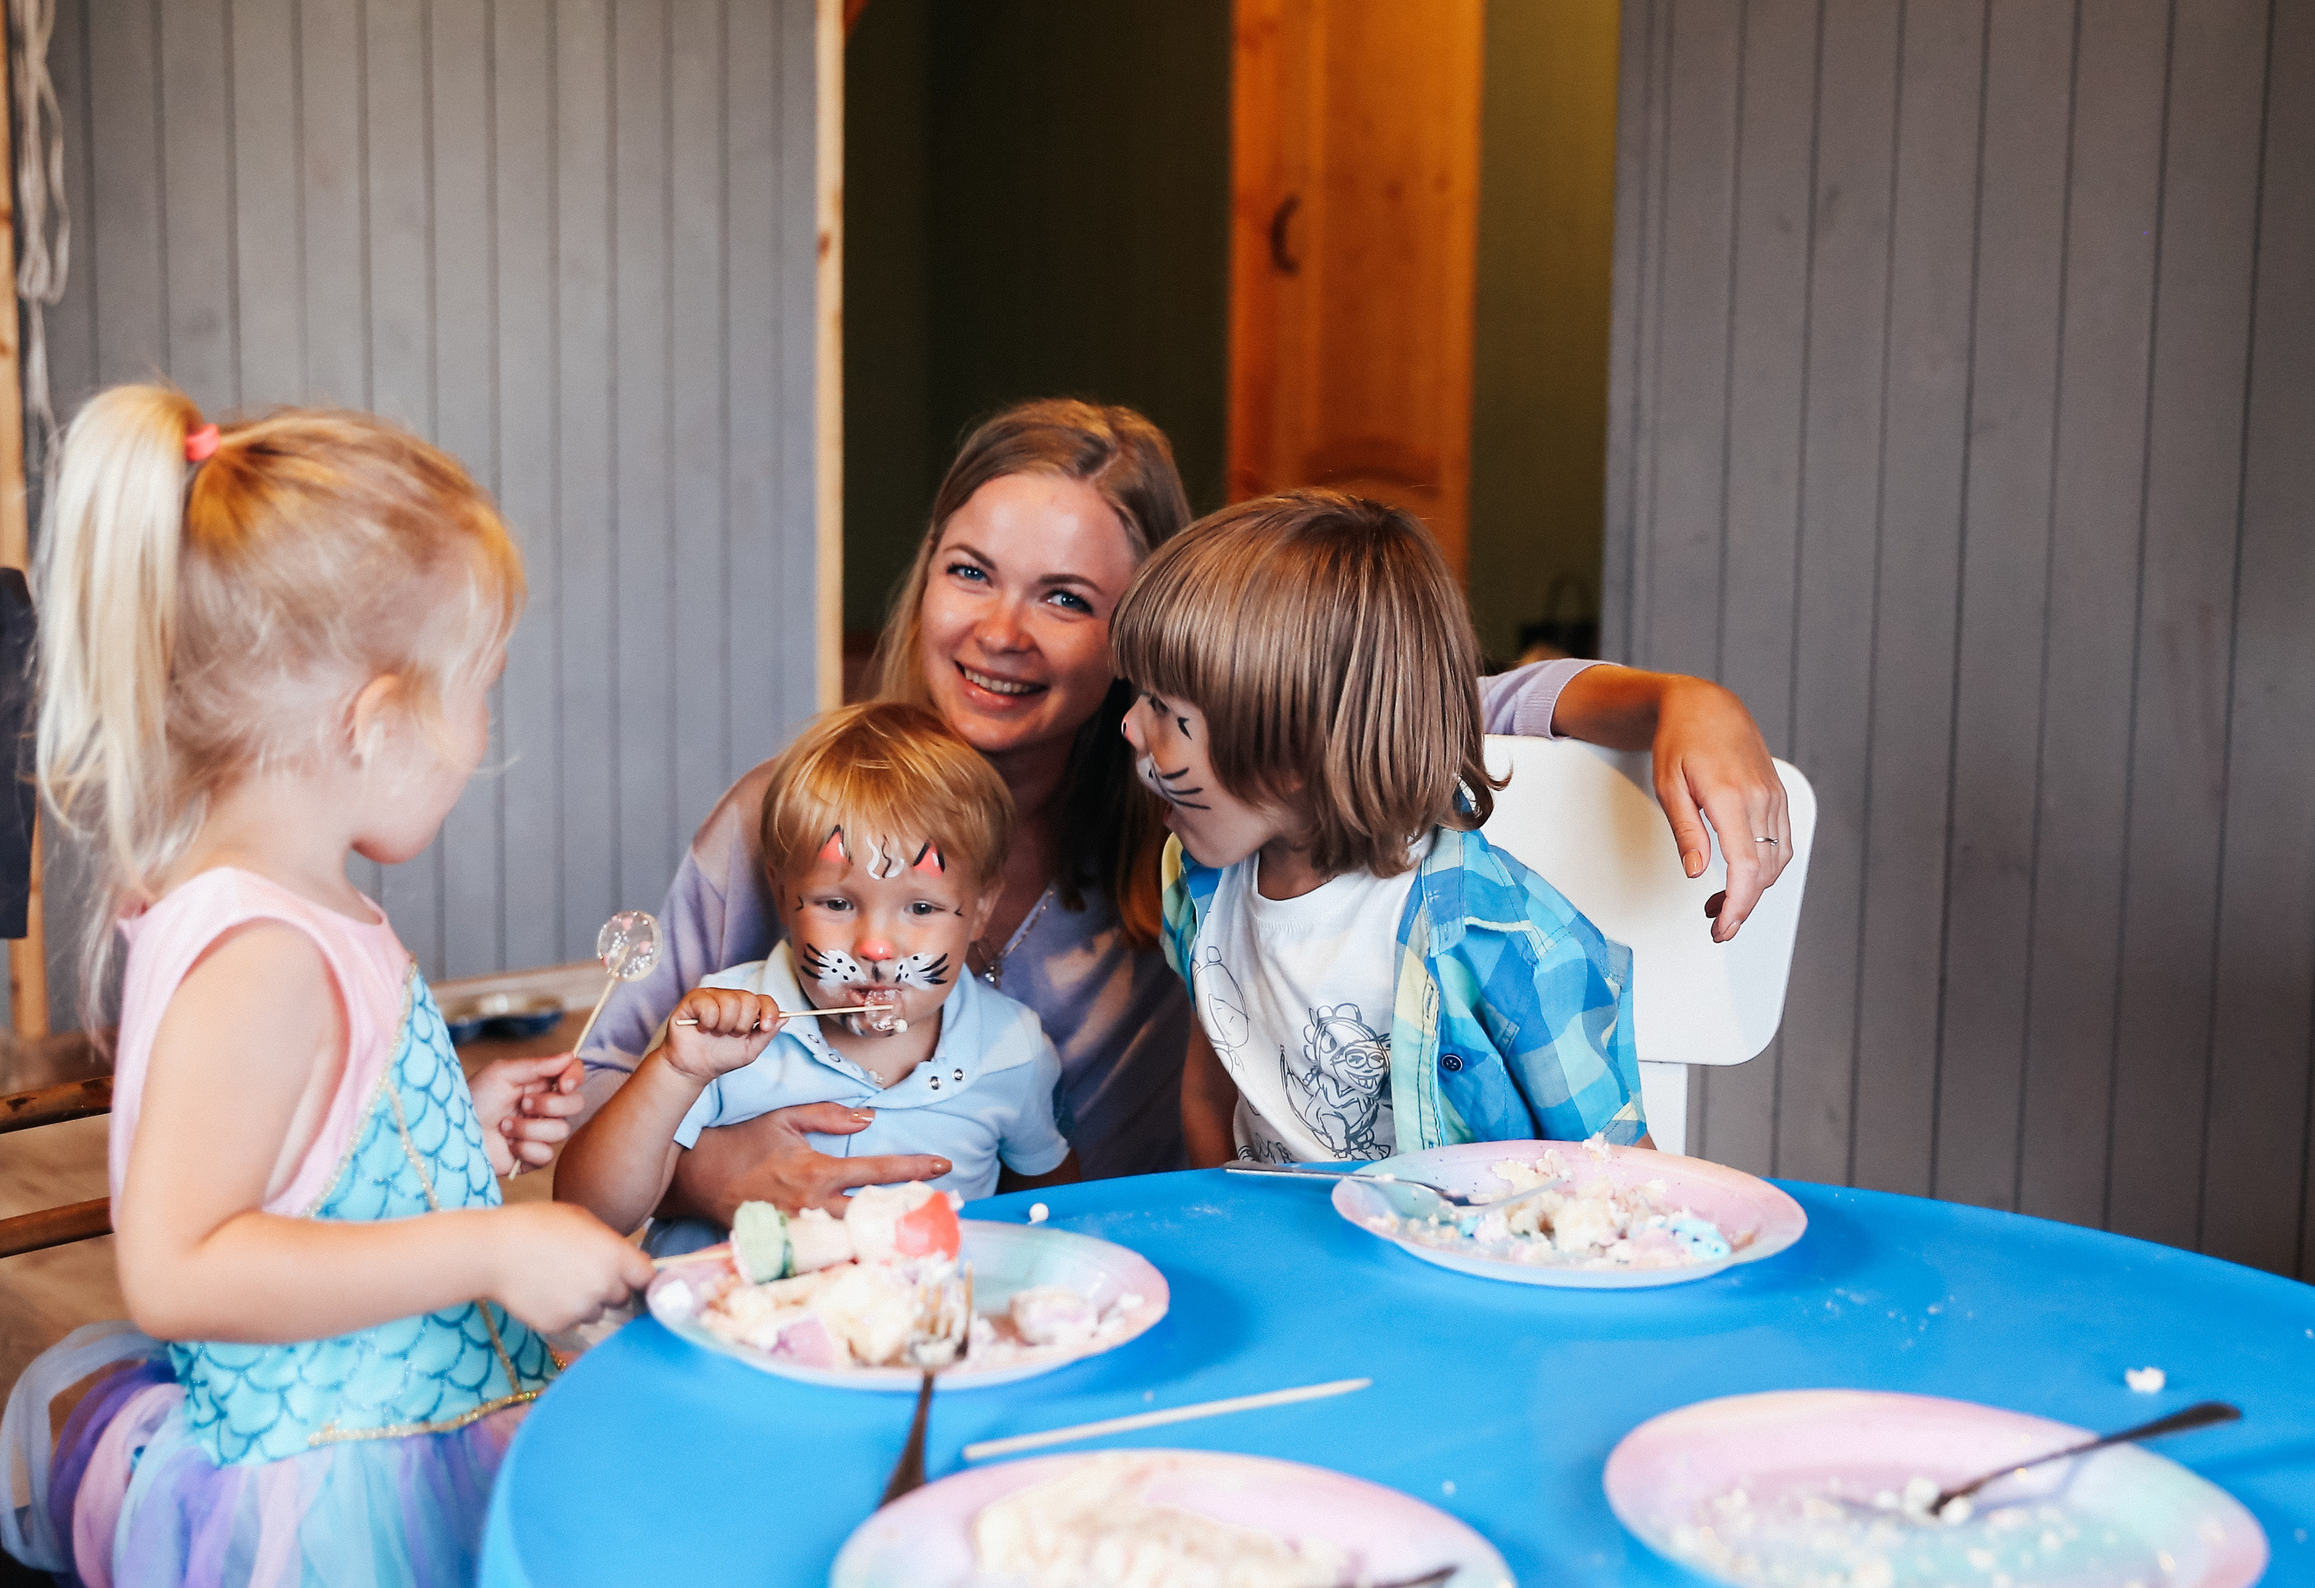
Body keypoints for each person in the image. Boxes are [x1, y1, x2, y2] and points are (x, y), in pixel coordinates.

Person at [580, 401, 1788, 1221]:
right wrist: (706, 1174)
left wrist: (1677, 701)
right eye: (969, 572)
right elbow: (601, 1093)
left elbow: (1395, 699)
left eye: (1065, 598)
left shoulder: (1186, 824)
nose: (999, 631)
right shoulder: (790, 817)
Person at [0, 388, 669, 1588]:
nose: (482, 733)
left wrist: (450, 1131)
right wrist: (491, 1244)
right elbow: (179, 1269)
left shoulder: (306, 909)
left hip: (411, 1436)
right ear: (376, 721)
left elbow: (303, 1170)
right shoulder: (260, 951)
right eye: (479, 689)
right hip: (330, 1509)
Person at [1117, 491, 1647, 1164]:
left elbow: (1624, 1173)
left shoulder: (1506, 944)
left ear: (1292, 756)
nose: (1129, 726)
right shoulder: (1198, 887)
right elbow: (1208, 1092)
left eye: (1165, 710)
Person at [557, 702, 1078, 1244]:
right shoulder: (717, 1030)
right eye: (837, 903)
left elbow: (1056, 1224)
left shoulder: (1013, 1050)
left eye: (921, 908)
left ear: (982, 909)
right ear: (782, 892)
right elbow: (588, 1213)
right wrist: (677, 1072)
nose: (876, 948)